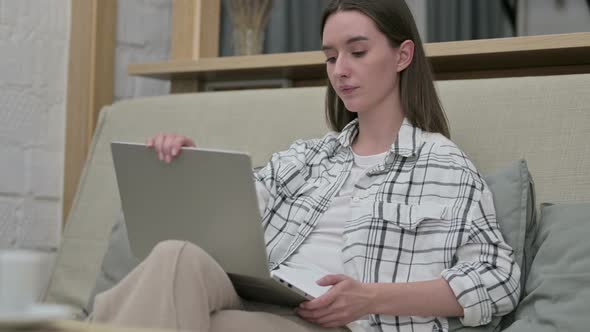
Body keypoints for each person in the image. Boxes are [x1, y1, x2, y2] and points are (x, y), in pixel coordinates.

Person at [93, 1, 520, 331]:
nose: (341, 70)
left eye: (357, 52)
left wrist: (371, 298)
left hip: (339, 323)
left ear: (402, 55)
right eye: (331, 57)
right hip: (260, 297)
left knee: (189, 319)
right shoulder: (305, 158)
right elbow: (225, 222)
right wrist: (183, 169)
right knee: (176, 256)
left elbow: (498, 279)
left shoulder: (444, 166)